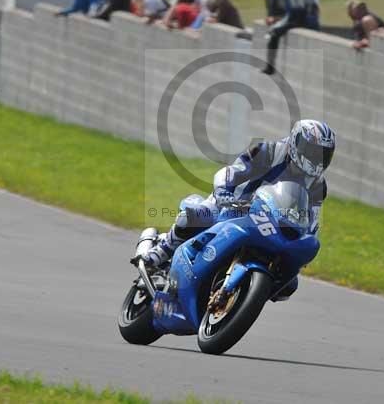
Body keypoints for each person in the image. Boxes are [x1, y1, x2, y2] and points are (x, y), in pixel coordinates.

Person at [143, 119, 336, 299]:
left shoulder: (318, 185)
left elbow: (313, 221)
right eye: (311, 151)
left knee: (287, 285)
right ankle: (163, 251)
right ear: (296, 142)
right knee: (194, 217)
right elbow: (230, 172)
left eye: (322, 154)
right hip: (233, 205)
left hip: (271, 223)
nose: (315, 159)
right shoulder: (268, 151)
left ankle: (241, 295)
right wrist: (223, 191)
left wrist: (305, 245)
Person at [263, 0, 319, 75]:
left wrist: (276, 24)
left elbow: (290, 17)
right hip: (306, 21)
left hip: (303, 21)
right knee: (276, 31)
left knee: (274, 34)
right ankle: (269, 66)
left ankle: (270, 67)